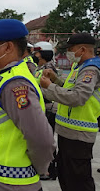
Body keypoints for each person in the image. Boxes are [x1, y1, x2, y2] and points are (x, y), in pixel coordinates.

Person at [0, 19, 55, 191]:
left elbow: (42, 140)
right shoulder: (2, 76)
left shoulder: (15, 85)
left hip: (6, 182)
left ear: (7, 47)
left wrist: (37, 168)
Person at [40, 33, 100, 191]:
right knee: (66, 177)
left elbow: (77, 97)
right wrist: (55, 80)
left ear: (82, 49)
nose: (68, 54)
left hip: (80, 134)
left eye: (71, 50)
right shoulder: (79, 67)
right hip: (67, 132)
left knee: (79, 181)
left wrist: (49, 87)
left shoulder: (91, 70)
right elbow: (70, 89)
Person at [32, 41, 59, 181]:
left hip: (49, 107)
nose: (34, 55)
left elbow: (47, 89)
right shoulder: (40, 67)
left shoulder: (48, 69)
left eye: (36, 52)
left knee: (48, 138)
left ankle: (51, 170)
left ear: (43, 54)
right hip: (43, 107)